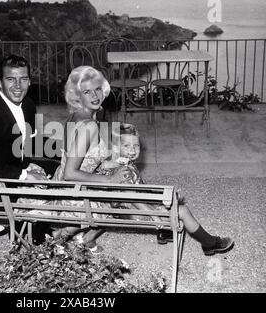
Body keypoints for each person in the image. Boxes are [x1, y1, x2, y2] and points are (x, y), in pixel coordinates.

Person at [48, 65, 234, 256]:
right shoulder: (89, 126)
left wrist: (113, 166)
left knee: (130, 178)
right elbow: (71, 173)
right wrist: (111, 180)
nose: (94, 96)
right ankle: (188, 232)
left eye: (97, 89)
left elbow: (86, 161)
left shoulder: (76, 117)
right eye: (86, 92)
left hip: (69, 191)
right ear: (77, 95)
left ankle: (159, 217)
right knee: (171, 206)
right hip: (76, 198)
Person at [0, 54, 48, 239]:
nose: (18, 86)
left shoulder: (28, 105)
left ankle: (37, 227)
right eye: (11, 79)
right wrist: (25, 176)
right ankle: (28, 236)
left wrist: (64, 148)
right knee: (51, 193)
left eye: (23, 79)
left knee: (62, 171)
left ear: (29, 81)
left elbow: (31, 143)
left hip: (19, 167)